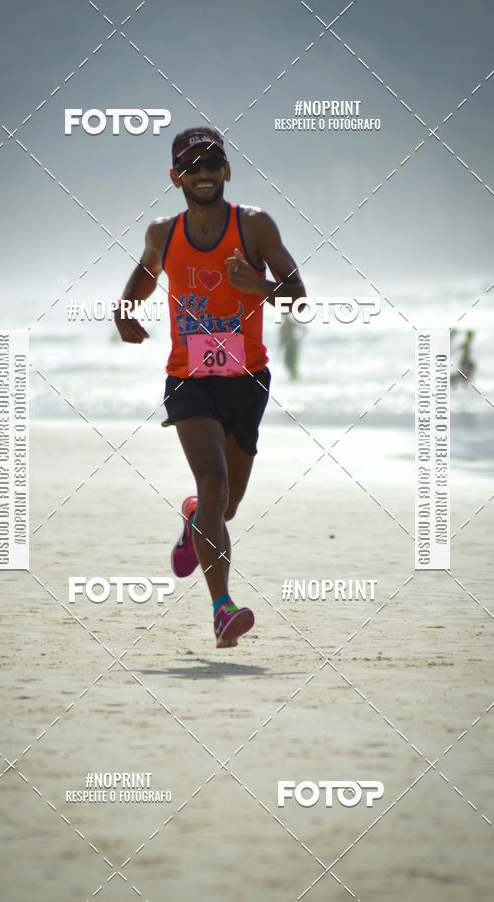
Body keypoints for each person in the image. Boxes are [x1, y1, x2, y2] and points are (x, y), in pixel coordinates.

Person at [115, 126, 305, 648]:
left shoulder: (255, 226)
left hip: (247, 381)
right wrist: (125, 306)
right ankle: (222, 608)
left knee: (224, 508)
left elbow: (299, 298)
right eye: (191, 166)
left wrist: (259, 286)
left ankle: (195, 517)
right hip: (189, 380)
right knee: (214, 482)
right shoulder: (163, 232)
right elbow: (148, 270)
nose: (203, 174)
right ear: (176, 176)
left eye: (212, 164)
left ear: (227, 171)